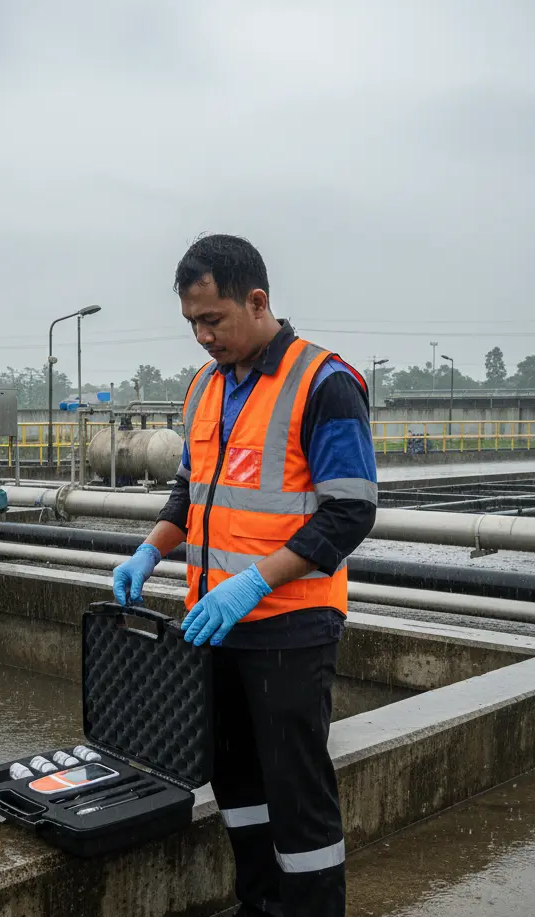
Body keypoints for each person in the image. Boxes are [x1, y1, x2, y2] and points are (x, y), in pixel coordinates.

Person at [113, 234, 377, 917]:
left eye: (214, 319)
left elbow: (350, 512)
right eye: (192, 323)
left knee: (298, 795)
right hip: (217, 626)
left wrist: (257, 580)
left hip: (292, 627)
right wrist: (148, 550)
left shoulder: (324, 383)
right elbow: (190, 495)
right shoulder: (205, 387)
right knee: (235, 780)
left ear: (257, 301)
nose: (203, 337)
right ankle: (260, 903)